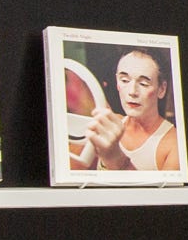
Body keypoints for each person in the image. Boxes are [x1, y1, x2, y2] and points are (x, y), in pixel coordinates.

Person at [73, 46, 181, 174]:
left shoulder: (174, 144)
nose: (132, 92)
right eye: (124, 80)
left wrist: (115, 157)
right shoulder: (111, 127)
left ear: (161, 89)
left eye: (143, 84)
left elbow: (162, 195)